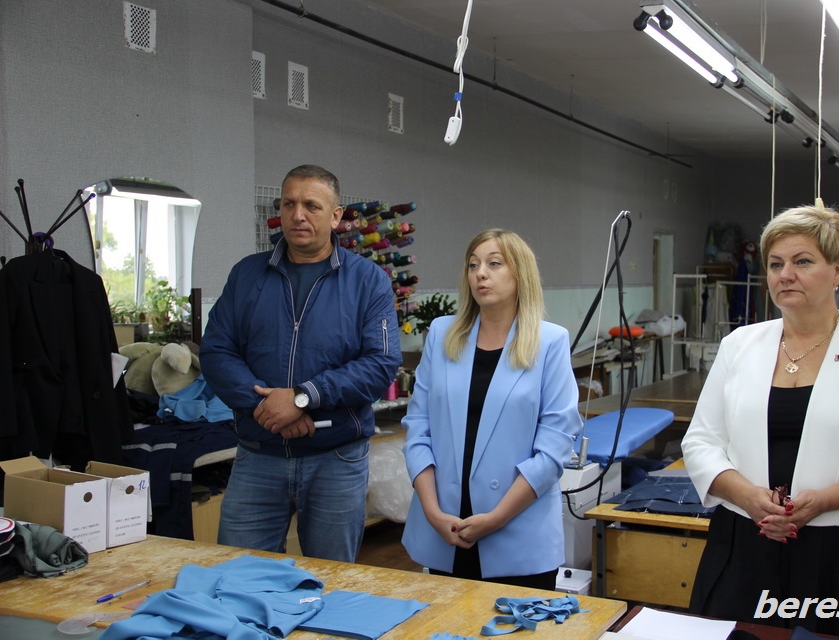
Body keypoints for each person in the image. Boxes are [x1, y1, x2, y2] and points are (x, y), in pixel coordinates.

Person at [681, 205, 839, 640]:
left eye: (802, 262)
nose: (786, 275)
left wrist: (823, 501)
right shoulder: (739, 345)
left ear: (837, 270)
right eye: (775, 264)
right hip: (748, 537)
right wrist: (747, 496)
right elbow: (701, 441)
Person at [200, 164, 401, 562]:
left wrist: (303, 397)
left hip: (335, 458)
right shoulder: (246, 275)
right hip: (259, 453)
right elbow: (217, 351)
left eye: (311, 205)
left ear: (336, 216)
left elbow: (380, 365)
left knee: (329, 579)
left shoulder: (368, 281)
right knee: (240, 576)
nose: (298, 215)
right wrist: (268, 407)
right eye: (289, 204)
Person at [401, 229, 581, 589]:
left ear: (520, 274)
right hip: (446, 528)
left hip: (517, 532)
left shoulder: (549, 342)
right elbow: (418, 428)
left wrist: (496, 517)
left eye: (494, 264)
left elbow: (554, 447)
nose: (480, 273)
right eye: (473, 265)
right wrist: (433, 512)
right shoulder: (442, 335)